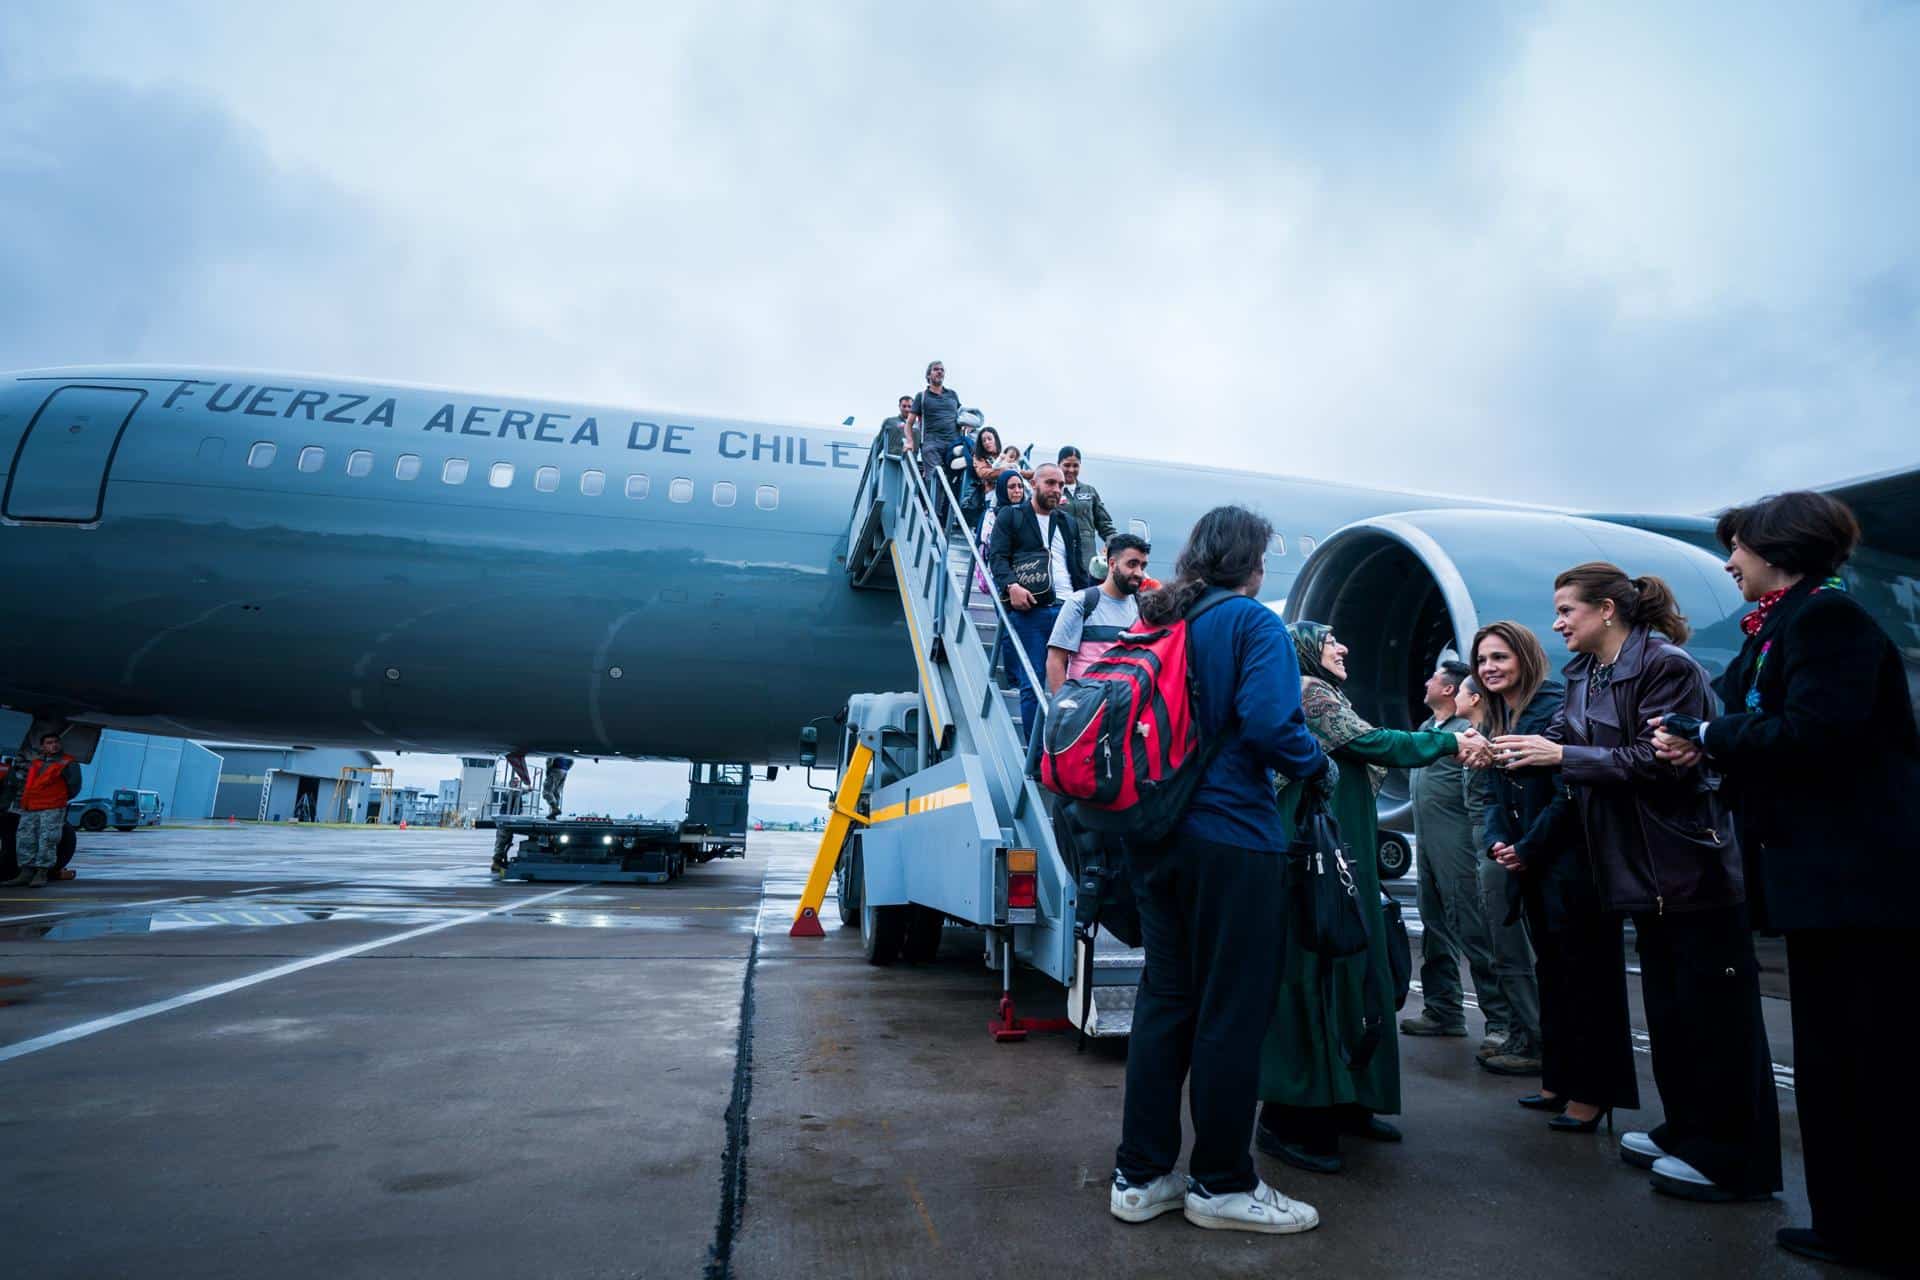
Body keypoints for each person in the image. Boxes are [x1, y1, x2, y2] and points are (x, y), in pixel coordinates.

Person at [1652, 492, 1915, 1266]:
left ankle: (1890, 1232)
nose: (1728, 561)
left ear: (1780, 548)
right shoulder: (1779, 627)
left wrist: (1704, 735)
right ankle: (1849, 1222)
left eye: (1738, 547)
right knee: (1832, 1060)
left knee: (1872, 1061)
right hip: (1824, 883)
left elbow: (1811, 731)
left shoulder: (1829, 621)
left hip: (1861, 884)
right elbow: (1752, 710)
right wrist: (1708, 739)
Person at [1494, 563, 1780, 1200]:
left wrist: (1561, 756)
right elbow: (1564, 737)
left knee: (1714, 1021)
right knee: (1672, 1013)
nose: (1558, 622)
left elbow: (1661, 761)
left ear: (1608, 610)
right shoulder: (1585, 674)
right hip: (1638, 872)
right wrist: (1507, 747)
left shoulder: (1665, 665)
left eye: (1567, 610)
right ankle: (1687, 1130)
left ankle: (1734, 1158)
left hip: (1688, 866)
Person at [1111, 505, 1328, 1235]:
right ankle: (1222, 1184)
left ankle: (1139, 1178)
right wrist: (1316, 761)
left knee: (1165, 1003)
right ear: (1253, 565)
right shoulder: (1251, 622)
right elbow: (1271, 725)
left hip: (1153, 834)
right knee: (1232, 1012)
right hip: (1233, 838)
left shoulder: (1161, 619)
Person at [1256, 625, 1490, 1175]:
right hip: (1315, 865)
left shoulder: (1330, 698)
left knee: (1355, 975)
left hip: (1344, 862)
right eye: (1331, 639)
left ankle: (1347, 1102)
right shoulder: (1307, 691)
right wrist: (1448, 740)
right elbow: (1373, 743)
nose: (1343, 646)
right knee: (1316, 976)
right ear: (1306, 650)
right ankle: (1287, 1119)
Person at [1478, 621, 1639, 1126]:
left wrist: (1527, 846)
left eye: (1500, 657)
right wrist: (1498, 840)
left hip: (1572, 863)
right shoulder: (1501, 713)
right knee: (1554, 973)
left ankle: (1592, 1094)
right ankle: (1560, 1079)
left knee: (1586, 980)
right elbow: (1493, 792)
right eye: (1482, 660)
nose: (1489, 669)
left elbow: (1569, 793)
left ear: (1525, 657)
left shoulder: (1553, 705)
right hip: (1534, 863)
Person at [1399, 658, 1511, 1053]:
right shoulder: (1430, 731)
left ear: (1449, 689)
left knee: (1473, 930)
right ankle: (1443, 1009)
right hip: (1429, 846)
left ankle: (1500, 1022)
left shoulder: (1467, 734)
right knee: (1434, 928)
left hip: (1460, 847)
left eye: (1433, 678)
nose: (1426, 682)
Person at [1455, 676, 1542, 1067]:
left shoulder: (1498, 735)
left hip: (1499, 847)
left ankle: (1533, 1040)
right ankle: (1521, 1033)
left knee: (1511, 948)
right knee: (1498, 945)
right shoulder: (1481, 732)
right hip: (1489, 842)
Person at [986, 462, 1089, 742]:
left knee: (1074, 684)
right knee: (1032, 683)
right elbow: (996, 557)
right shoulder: (1011, 516)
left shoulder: (1067, 521)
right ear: (1035, 484)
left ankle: (1068, 744)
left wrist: (1091, 596)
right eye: (1050, 483)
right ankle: (1036, 750)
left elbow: (1075, 566)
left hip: (1070, 608)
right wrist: (1011, 586)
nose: (1056, 489)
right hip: (1032, 609)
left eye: (1060, 485)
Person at [1046, 534, 1149, 693]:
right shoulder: (1081, 601)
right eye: (1132, 564)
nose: (1139, 573)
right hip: (1085, 707)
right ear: (1112, 564)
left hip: (1125, 708)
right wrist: (1064, 710)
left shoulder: (1141, 608)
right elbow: (1055, 661)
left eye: (1142, 566)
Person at [4, 733, 80, 889]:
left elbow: (74, 785)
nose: (54, 745)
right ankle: (25, 872)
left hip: (51, 807)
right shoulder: (36, 763)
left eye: (56, 742)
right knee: (25, 838)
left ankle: (41, 872)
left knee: (48, 839)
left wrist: (58, 799)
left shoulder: (68, 763)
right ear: (43, 746)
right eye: (49, 743)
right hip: (30, 807)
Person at [1058, 446, 1119, 580]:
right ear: (1059, 465)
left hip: (1087, 556)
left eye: (1075, 466)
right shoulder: (1053, 492)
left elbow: (1105, 524)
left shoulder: (1089, 491)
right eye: (1066, 465)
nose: (1071, 470)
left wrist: (1116, 545)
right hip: (1061, 553)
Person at [909, 360, 961, 489]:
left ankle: (946, 509)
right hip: (932, 444)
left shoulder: (952, 395)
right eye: (936, 369)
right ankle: (932, 508)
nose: (939, 372)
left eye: (942, 370)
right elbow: (909, 423)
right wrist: (910, 441)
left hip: (953, 443)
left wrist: (968, 425)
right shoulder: (922, 396)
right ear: (928, 375)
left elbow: (961, 416)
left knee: (953, 479)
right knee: (935, 478)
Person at [959, 427, 1004, 529]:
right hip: (991, 493)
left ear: (995, 439)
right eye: (984, 441)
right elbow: (983, 473)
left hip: (1006, 491)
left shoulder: (1003, 455)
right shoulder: (979, 457)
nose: (987, 442)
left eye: (989, 439)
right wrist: (1004, 471)